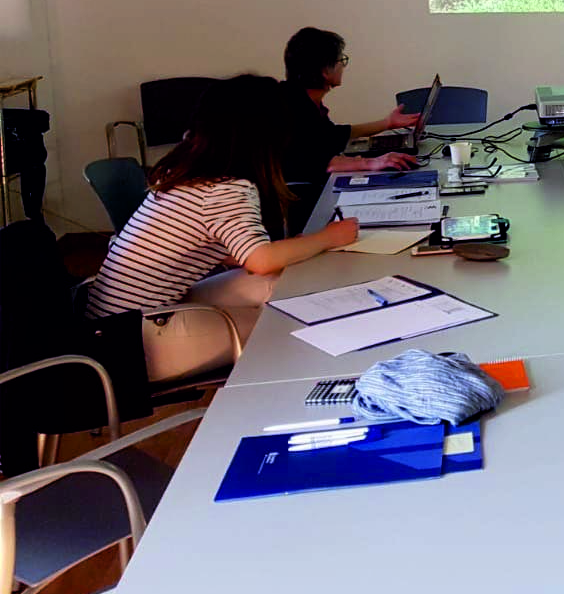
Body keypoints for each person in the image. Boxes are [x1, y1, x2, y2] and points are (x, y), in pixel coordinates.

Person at [87, 74, 360, 383]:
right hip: (132, 345)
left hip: (114, 324)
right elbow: (259, 259)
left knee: (280, 283)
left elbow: (235, 253)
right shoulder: (227, 189)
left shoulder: (186, 169)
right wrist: (326, 238)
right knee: (288, 323)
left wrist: (292, 248)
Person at [280, 26, 420, 185]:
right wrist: (372, 163)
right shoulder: (289, 109)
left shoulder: (299, 98)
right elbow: (313, 161)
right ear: (325, 71)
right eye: (341, 61)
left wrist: (387, 123)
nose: (343, 67)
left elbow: (333, 135)